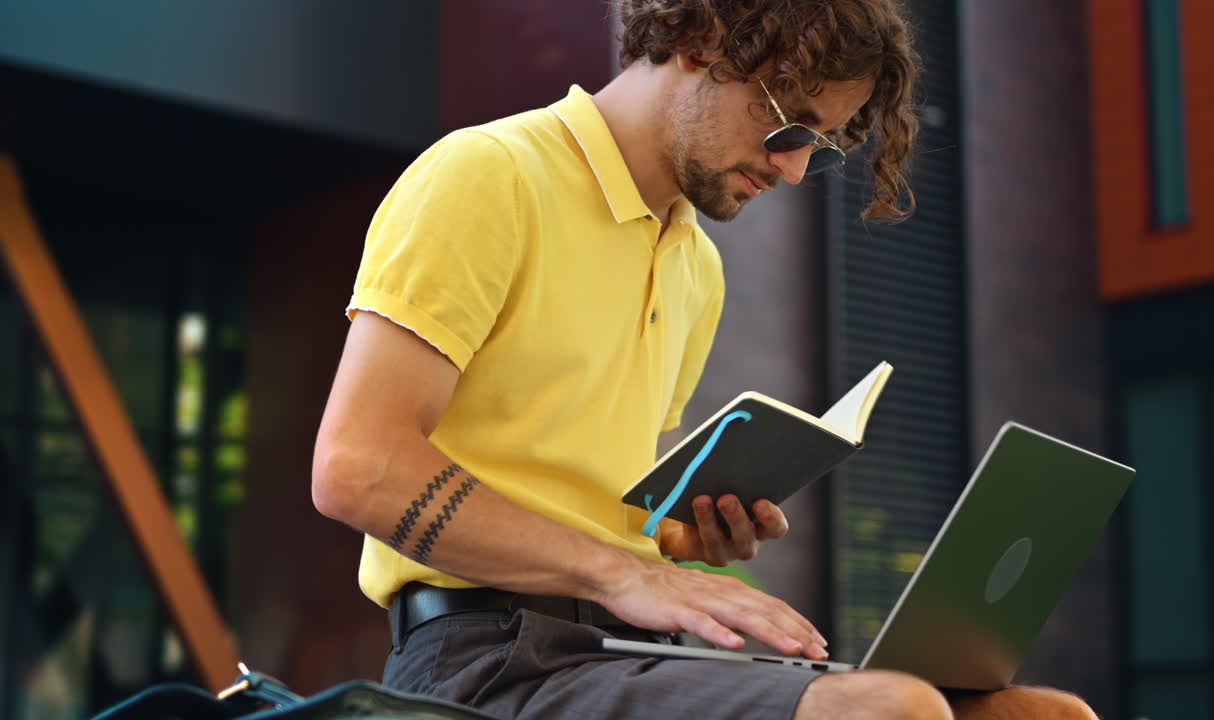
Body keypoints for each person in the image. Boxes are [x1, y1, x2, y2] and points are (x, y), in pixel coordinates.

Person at [312, 1, 1099, 717]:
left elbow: (614, 518)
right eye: (790, 126)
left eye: (820, 152)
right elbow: (356, 466)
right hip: (485, 661)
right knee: (889, 710)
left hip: (632, 650)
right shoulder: (489, 175)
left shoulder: (697, 269)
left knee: (1044, 715)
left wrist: (683, 541)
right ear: (699, 41)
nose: (793, 170)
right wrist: (626, 575)